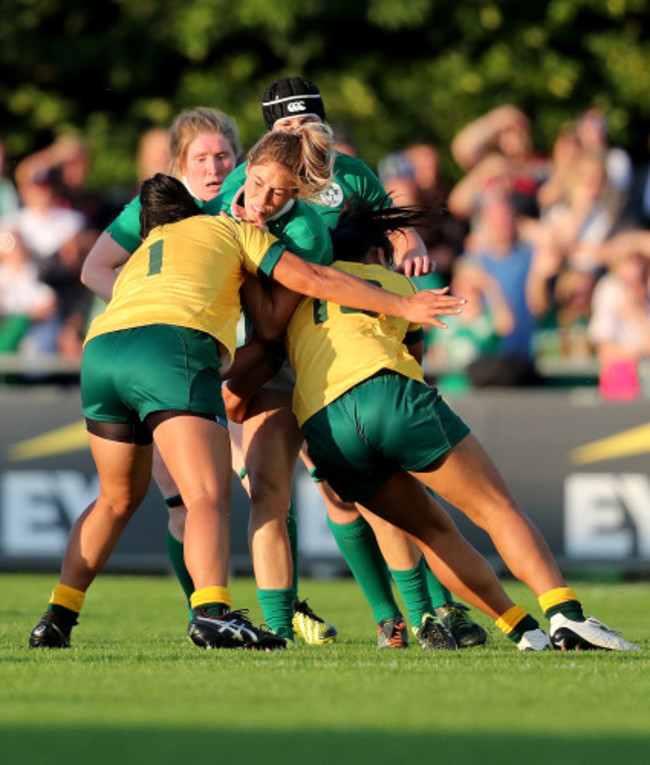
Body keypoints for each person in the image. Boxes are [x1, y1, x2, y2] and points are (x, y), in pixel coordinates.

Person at [29, 174, 462, 651]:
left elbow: (100, 274)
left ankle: (58, 615)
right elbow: (310, 281)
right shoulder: (225, 228)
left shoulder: (143, 255)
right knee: (207, 496)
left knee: (115, 500)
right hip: (169, 348)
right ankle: (212, 614)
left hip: (102, 350)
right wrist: (402, 302)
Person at [254, 201, 640, 653]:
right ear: (378, 254)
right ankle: (566, 617)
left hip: (324, 430)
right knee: (496, 508)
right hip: (385, 393)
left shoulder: (295, 295)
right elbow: (413, 357)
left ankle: (523, 631)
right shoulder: (390, 281)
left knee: (433, 533)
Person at [224, 76, 488, 650]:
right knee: (331, 489)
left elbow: (385, 221)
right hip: (278, 352)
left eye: (308, 122)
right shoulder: (249, 187)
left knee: (375, 482)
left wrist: (408, 241)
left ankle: (430, 611)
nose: (299, 134)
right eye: (286, 126)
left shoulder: (346, 176)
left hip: (341, 340)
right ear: (268, 135)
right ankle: (387, 616)